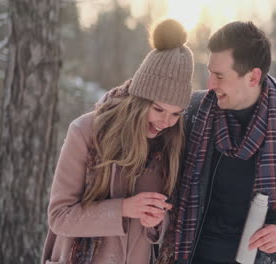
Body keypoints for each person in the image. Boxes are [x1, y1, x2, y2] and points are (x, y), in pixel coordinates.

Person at [157, 21, 276, 264]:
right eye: (209, 73)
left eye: (219, 76)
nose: (210, 84)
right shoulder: (192, 113)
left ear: (253, 76)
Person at [41, 19, 194, 264]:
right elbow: (59, 216)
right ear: (139, 101)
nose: (167, 121)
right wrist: (122, 209)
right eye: (158, 109)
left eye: (176, 114)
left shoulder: (170, 144)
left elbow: (170, 221)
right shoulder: (86, 132)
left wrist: (156, 223)